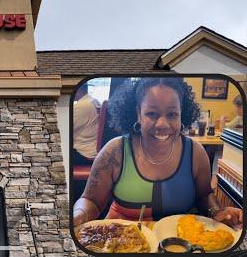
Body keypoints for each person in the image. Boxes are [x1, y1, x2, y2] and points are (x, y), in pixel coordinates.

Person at [73, 77, 243, 228]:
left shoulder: (195, 153)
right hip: (122, 241)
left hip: (180, 243)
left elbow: (204, 195)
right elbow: (91, 201)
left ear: (181, 115)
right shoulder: (114, 151)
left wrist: (218, 212)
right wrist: (79, 214)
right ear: (138, 114)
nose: (162, 124)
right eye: (152, 114)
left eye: (172, 114)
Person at [72, 83, 101, 165]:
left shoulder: (81, 106)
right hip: (93, 151)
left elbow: (63, 130)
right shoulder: (93, 100)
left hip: (84, 154)